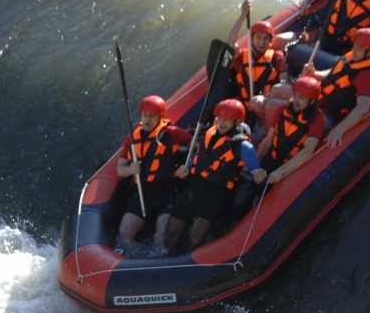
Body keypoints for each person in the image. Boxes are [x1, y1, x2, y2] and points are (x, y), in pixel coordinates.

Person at [165, 99, 265, 250]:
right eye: (219, 118)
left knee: (195, 237)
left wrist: (259, 174)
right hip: (194, 185)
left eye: (227, 119)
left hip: (215, 193)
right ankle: (166, 255)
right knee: (171, 232)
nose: (221, 122)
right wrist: (187, 167)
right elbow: (199, 157)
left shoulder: (244, 146)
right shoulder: (209, 133)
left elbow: (255, 170)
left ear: (236, 122)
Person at [116, 95, 192, 254]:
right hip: (142, 192)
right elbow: (120, 169)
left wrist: (185, 167)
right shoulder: (132, 138)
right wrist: (131, 170)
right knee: (124, 235)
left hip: (166, 191)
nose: (147, 119)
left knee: (161, 236)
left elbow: (195, 148)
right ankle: (143, 256)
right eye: (144, 115)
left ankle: (162, 259)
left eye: (152, 116)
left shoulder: (172, 133)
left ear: (160, 117)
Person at [303, 27, 370, 149]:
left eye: (360, 47)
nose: (355, 49)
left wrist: (339, 130)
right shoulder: (355, 57)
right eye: (356, 44)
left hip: (331, 115)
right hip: (320, 101)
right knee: (279, 93)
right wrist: (315, 74)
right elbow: (334, 74)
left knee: (299, 127)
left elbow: (363, 107)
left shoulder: (366, 75)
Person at [255, 76, 325, 184]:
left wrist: (280, 172)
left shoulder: (316, 119)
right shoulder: (283, 109)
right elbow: (268, 140)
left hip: (291, 169)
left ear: (311, 101)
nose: (296, 100)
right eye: (295, 95)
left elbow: (308, 150)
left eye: (302, 97)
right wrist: (255, 165)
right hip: (271, 160)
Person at [226, 1, 288, 109]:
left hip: (265, 105)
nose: (262, 42)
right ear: (251, 39)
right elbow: (231, 42)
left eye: (266, 38)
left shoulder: (276, 57)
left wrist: (271, 98)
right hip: (244, 107)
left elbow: (284, 79)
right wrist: (243, 15)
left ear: (270, 41)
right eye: (258, 37)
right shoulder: (241, 56)